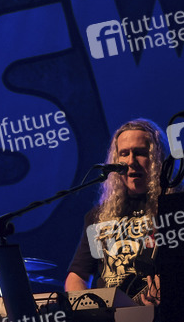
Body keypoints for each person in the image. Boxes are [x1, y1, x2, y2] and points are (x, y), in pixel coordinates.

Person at [65, 118, 172, 305]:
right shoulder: (99, 216)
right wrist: (88, 309)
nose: (131, 161)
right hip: (110, 316)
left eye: (140, 153)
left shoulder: (178, 205)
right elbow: (78, 276)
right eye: (124, 153)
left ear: (158, 157)